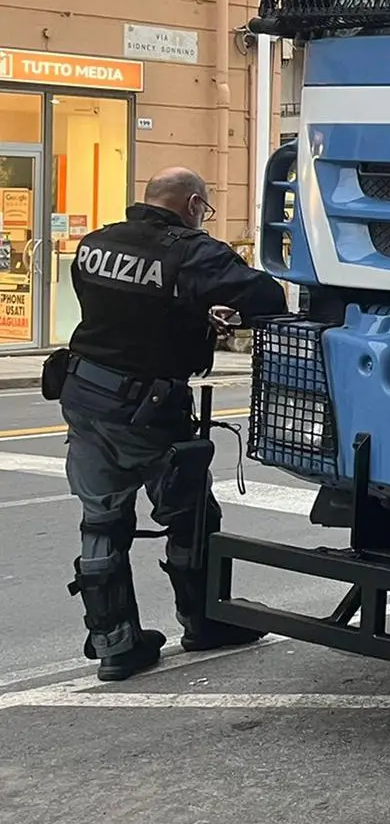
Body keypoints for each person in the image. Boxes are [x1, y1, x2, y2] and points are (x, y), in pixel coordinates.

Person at [53, 167, 288, 680]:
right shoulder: (192, 252)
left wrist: (187, 314)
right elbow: (267, 296)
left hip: (84, 396)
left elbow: (123, 312)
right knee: (191, 515)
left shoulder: (95, 244)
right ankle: (203, 621)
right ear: (192, 204)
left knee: (101, 520)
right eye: (202, 209)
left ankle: (114, 644)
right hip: (148, 411)